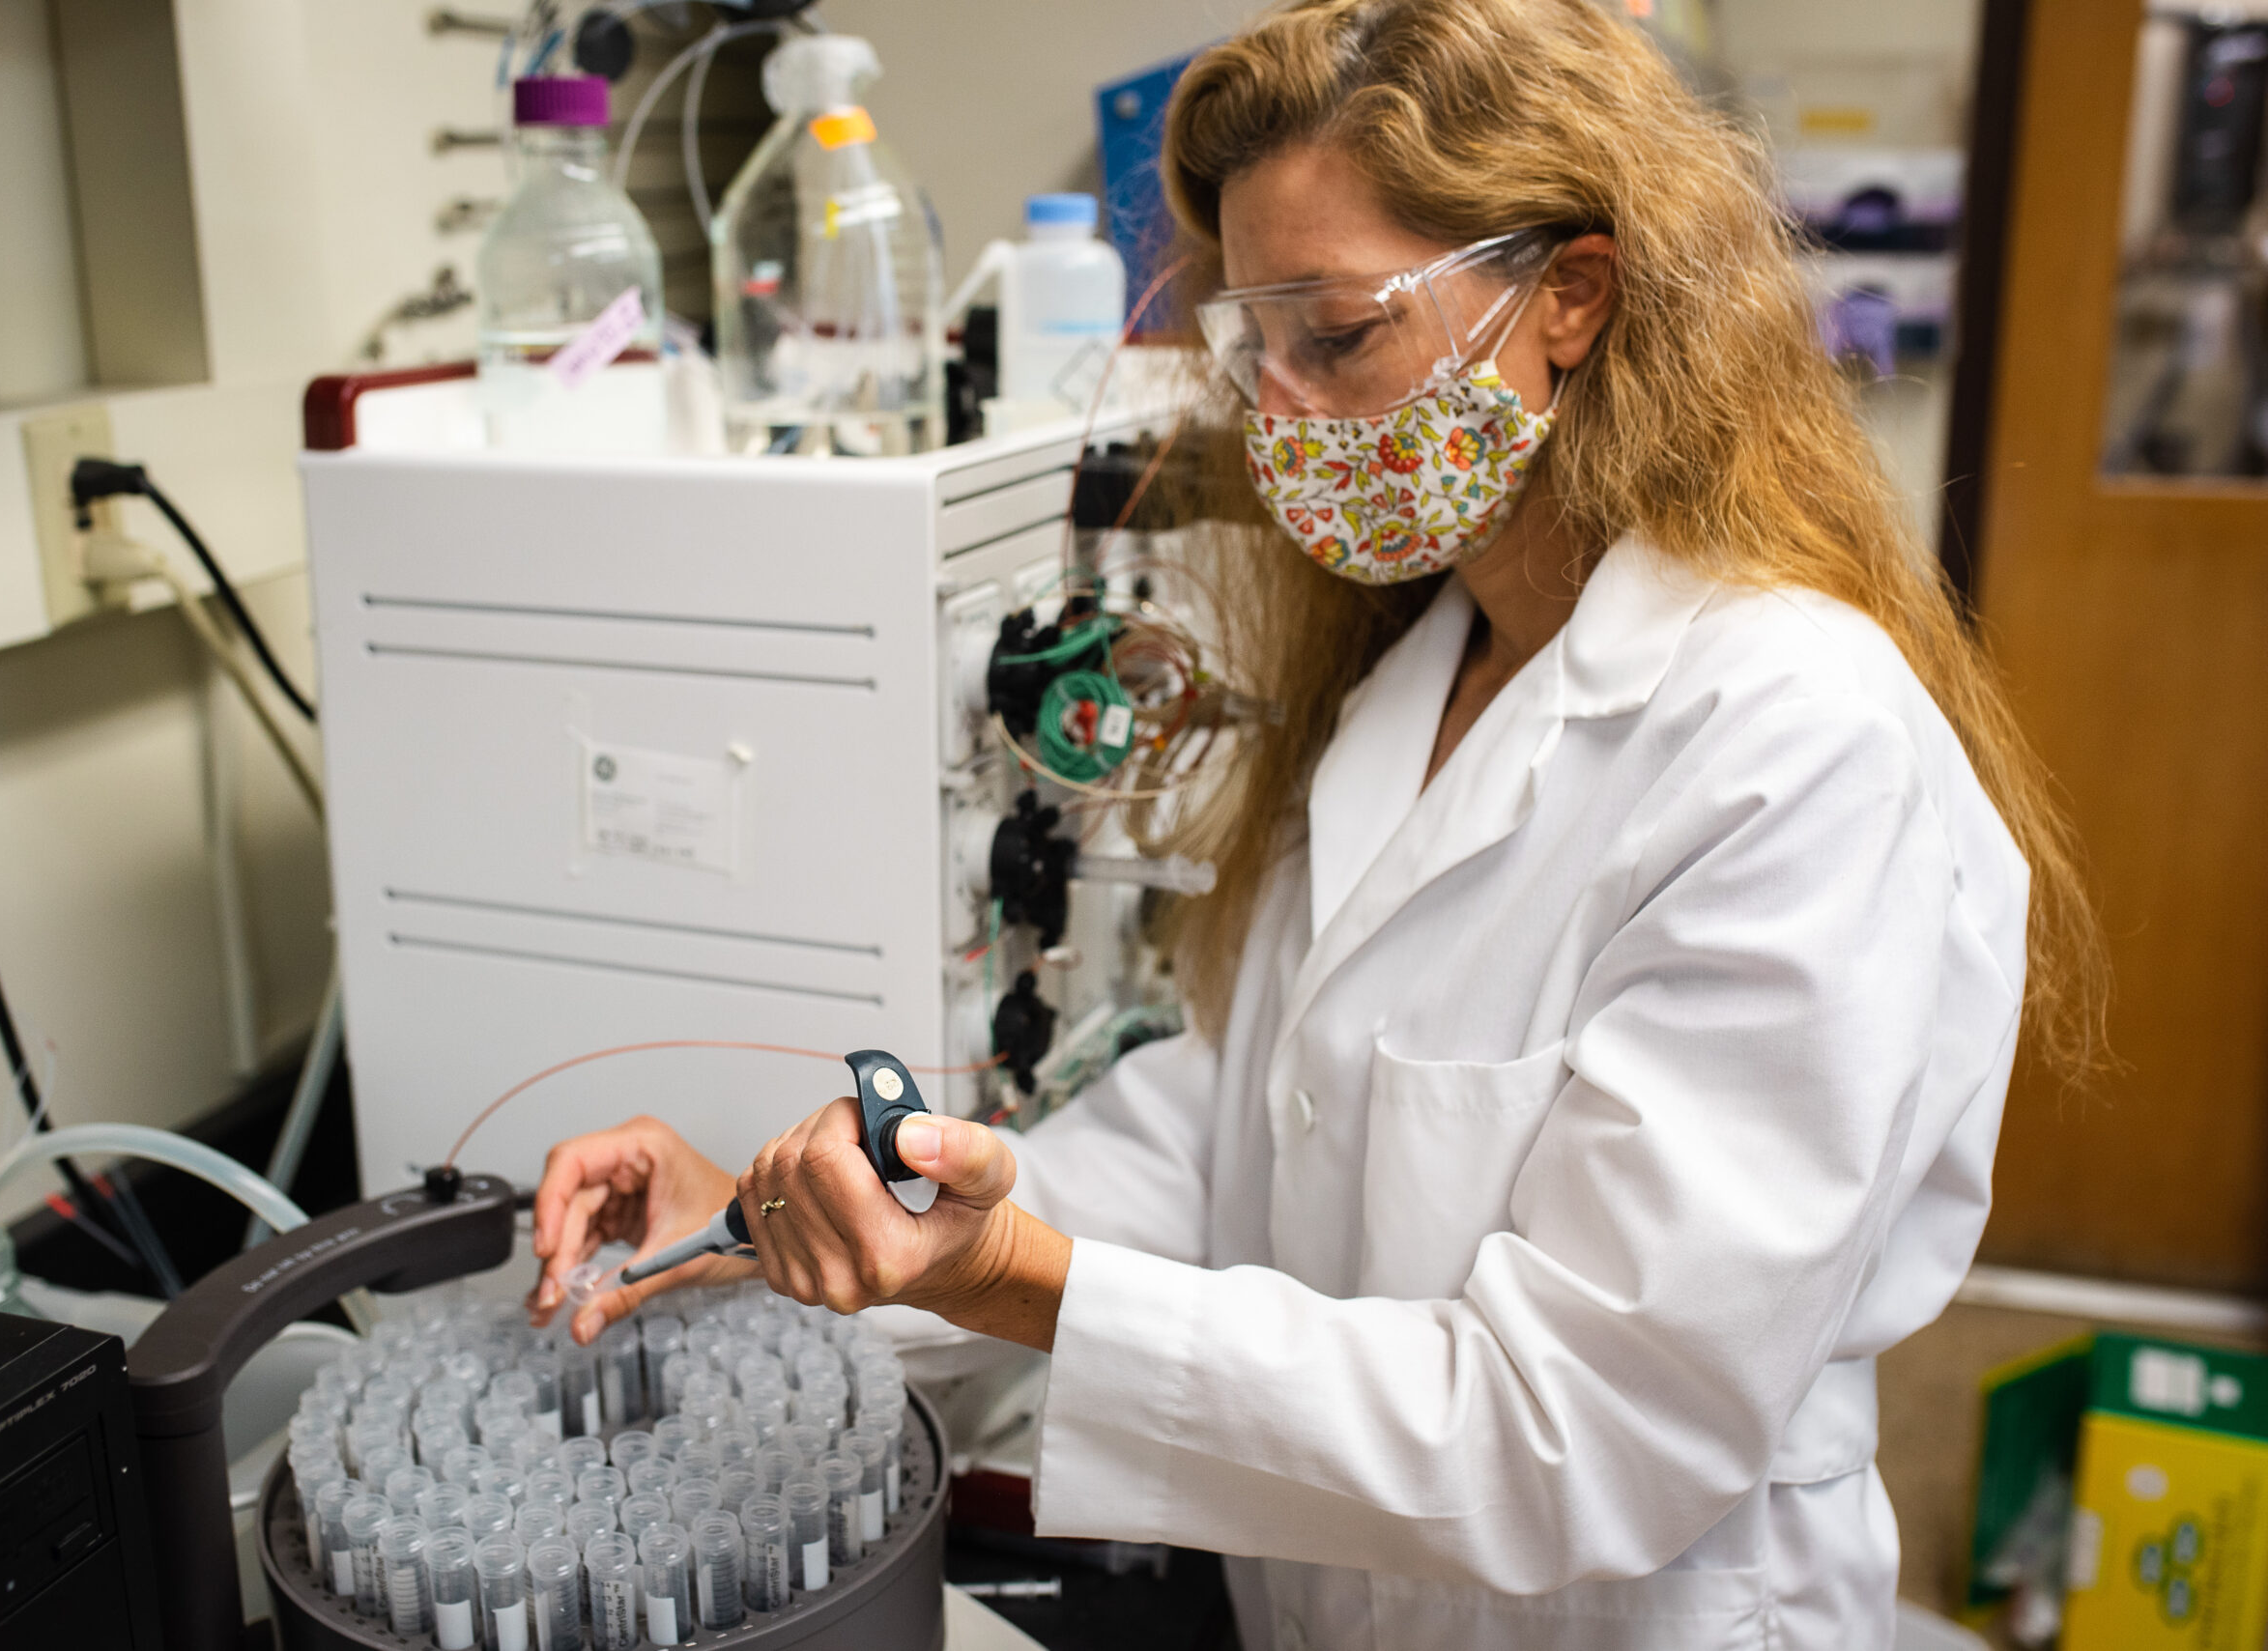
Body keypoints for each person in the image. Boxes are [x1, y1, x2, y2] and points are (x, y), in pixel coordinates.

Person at [528, 1, 2107, 1644]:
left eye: (1338, 336)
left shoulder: (1792, 742)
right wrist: (814, 1234)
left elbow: (1589, 1430)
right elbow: (1229, 1141)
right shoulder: (1420, 681)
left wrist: (1013, 1278)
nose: (1279, 414)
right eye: (1249, 342)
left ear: (1570, 291)